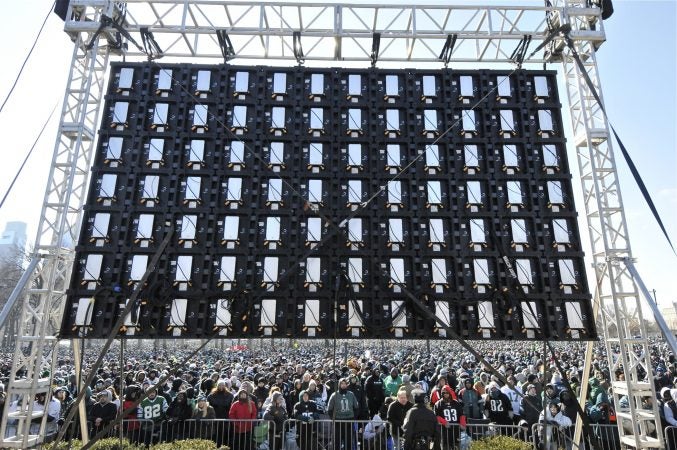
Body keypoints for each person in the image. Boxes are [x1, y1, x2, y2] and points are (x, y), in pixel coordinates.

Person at [327, 378, 359, 450]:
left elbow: (356, 407)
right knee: (337, 442)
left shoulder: (351, 394)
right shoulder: (334, 395)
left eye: (345, 384)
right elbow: (329, 409)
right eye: (342, 383)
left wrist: (354, 418)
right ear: (339, 385)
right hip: (338, 422)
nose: (343, 385)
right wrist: (333, 419)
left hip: (349, 422)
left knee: (349, 442)